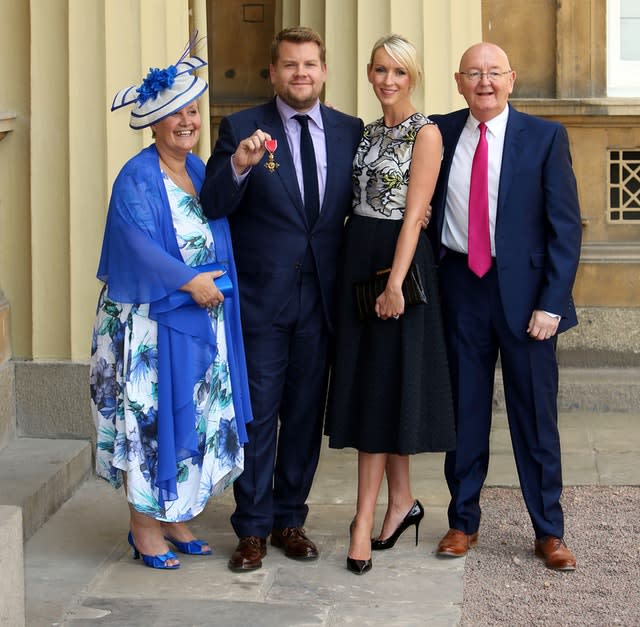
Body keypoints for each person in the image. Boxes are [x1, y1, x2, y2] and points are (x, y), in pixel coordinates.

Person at [199, 27, 363, 572]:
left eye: (310, 64)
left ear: (323, 71)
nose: (300, 74)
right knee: (258, 417)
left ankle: (290, 520)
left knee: (303, 416)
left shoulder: (348, 131)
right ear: (272, 73)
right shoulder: (243, 127)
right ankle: (250, 529)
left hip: (322, 300)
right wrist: (241, 165)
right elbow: (214, 202)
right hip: (262, 301)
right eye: (289, 65)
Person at [89, 35, 253, 570]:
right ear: (153, 123)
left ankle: (175, 515)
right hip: (151, 325)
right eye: (174, 114)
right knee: (152, 420)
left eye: (192, 111)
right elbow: (135, 246)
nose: (187, 121)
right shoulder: (138, 176)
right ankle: (143, 528)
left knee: (192, 417)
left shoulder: (199, 169)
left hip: (197, 315)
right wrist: (190, 282)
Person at [428, 42, 582, 570]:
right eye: (474, 73)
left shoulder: (544, 138)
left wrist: (552, 304)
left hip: (527, 300)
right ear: (458, 81)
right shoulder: (439, 133)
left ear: (512, 79)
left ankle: (549, 530)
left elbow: (565, 230)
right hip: (460, 289)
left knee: (535, 417)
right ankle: (461, 522)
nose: (484, 82)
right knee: (464, 412)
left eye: (494, 73)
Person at [324, 34, 456, 575]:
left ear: (413, 77)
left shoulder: (425, 134)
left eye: (398, 73)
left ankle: (362, 522)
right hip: (359, 260)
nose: (387, 81)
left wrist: (396, 283)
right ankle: (402, 503)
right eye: (379, 70)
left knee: (379, 391)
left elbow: (414, 213)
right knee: (379, 384)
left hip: (397, 269)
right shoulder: (365, 131)